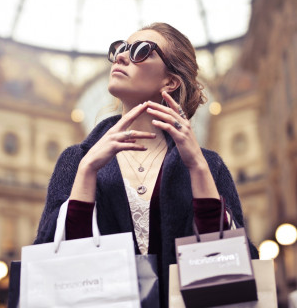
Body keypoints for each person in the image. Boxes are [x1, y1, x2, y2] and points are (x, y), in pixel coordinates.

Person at [34, 22, 258, 306]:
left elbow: (233, 264)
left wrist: (198, 169)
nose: (121, 57)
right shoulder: (77, 159)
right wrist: (87, 171)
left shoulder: (209, 165)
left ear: (170, 81)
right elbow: (51, 254)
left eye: (141, 51)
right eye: (119, 49)